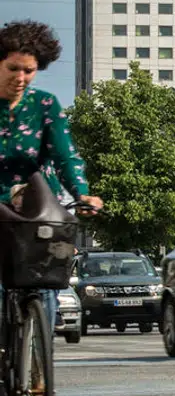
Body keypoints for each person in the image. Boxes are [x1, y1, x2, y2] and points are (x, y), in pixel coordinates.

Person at [0, 21, 102, 329]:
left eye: (29, 71)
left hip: (36, 207)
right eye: (14, 68)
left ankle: (40, 367)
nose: (21, 78)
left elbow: (65, 155)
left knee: (43, 282)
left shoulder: (44, 105)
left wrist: (82, 193)